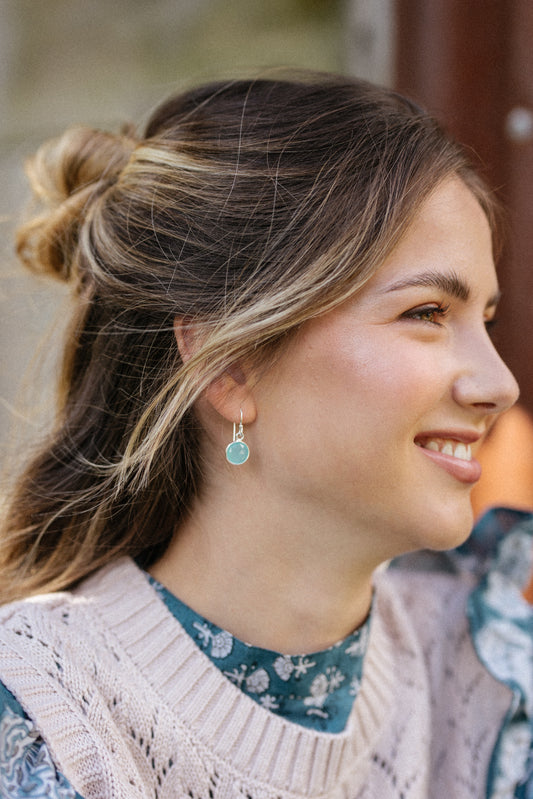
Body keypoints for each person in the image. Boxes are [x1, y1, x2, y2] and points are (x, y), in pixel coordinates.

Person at [0, 72, 531, 799]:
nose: (498, 384)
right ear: (231, 365)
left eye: (486, 321)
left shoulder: (482, 675)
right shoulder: (45, 713)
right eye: (427, 312)